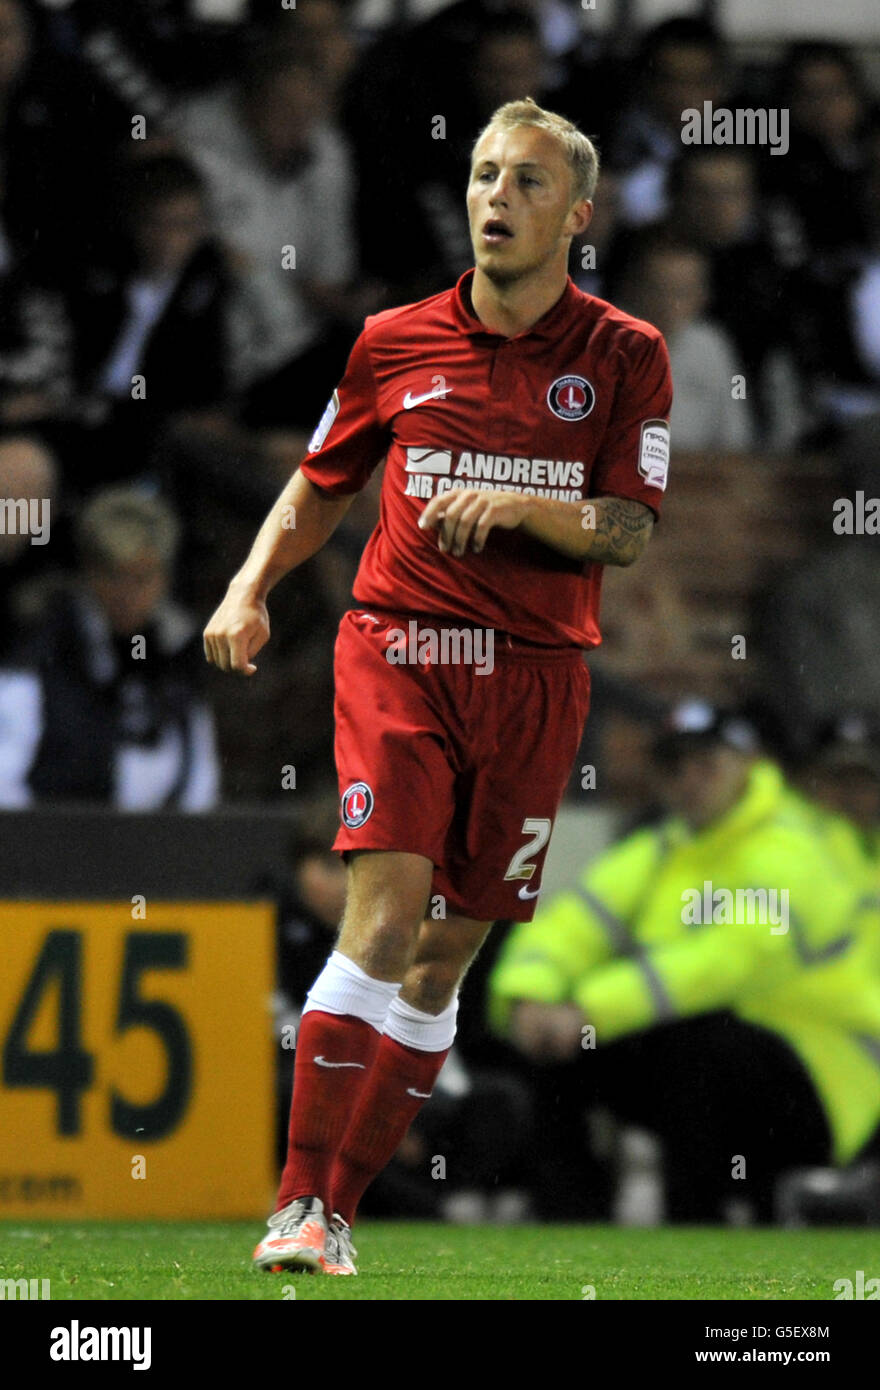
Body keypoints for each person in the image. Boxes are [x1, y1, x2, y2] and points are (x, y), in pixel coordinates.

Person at [204, 97, 673, 1275]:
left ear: (577, 212)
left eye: (523, 182)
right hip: (402, 651)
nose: (494, 200)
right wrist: (249, 586)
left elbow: (626, 530)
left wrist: (521, 507)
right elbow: (318, 485)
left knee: (445, 951)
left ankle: (341, 1210)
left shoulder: (625, 355)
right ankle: (295, 1202)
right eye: (481, 177)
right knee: (384, 909)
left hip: (536, 677)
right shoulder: (392, 340)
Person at [487, 705, 880, 1222]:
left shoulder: (799, 842)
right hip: (726, 1058)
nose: (689, 780)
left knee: (695, 1047)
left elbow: (731, 958)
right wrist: (529, 996)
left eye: (706, 764)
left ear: (749, 763)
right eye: (674, 766)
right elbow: (572, 921)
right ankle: (568, 1232)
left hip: (832, 1077)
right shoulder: (660, 848)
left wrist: (589, 1009)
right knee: (560, 1049)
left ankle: (699, 1224)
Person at [0, 485, 219, 808]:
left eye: (142, 578)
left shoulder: (179, 656)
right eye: (114, 576)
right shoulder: (41, 657)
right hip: (56, 846)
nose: (126, 595)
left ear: (164, 578)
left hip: (159, 848)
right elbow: (5, 786)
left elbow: (199, 786)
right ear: (90, 574)